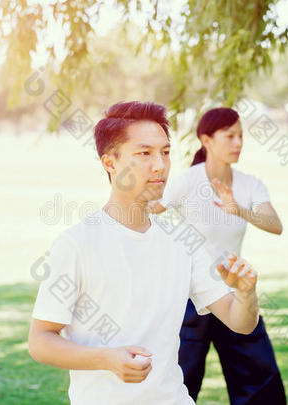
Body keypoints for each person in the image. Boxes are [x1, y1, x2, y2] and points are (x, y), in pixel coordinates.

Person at [28, 101, 263, 405]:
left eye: (165, 152)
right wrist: (105, 359)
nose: (160, 165)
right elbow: (40, 341)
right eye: (144, 153)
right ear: (110, 163)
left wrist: (246, 293)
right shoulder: (76, 244)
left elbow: (240, 322)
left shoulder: (183, 241)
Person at [149, 107, 286, 404]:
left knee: (261, 383)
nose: (238, 143)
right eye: (229, 136)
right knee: (180, 381)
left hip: (233, 294)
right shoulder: (187, 181)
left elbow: (276, 225)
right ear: (206, 140)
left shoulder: (249, 184)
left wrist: (239, 209)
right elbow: (147, 213)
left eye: (240, 136)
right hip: (189, 298)